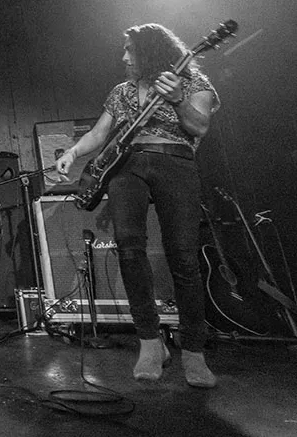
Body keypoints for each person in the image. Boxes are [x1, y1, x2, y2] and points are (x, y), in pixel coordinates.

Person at [56, 23, 220, 388]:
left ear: (152, 50)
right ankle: (149, 341)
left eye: (130, 49)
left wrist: (177, 99)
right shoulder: (122, 92)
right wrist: (72, 152)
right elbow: (100, 134)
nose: (125, 57)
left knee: (184, 259)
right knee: (129, 250)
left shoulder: (193, 84)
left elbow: (200, 127)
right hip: (128, 167)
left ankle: (194, 350)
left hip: (175, 163)